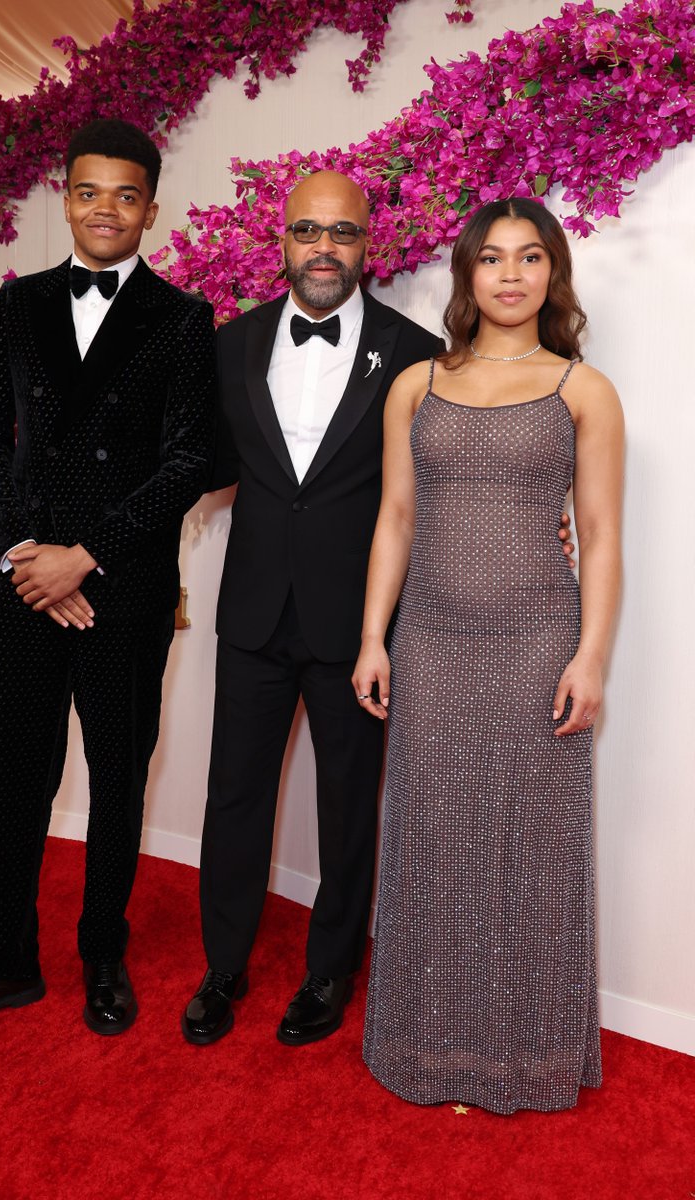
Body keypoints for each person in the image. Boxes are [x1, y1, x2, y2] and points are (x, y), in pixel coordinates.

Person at [182, 173, 574, 1048]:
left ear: (369, 243)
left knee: (351, 802)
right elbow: (200, 462)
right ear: (281, 240)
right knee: (233, 795)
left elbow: (440, 474)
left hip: (360, 624)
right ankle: (223, 967)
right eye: (307, 231)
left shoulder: (413, 353)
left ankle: (329, 972)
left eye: (344, 233)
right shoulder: (232, 343)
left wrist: (541, 510)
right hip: (250, 610)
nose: (325, 248)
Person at [0, 119, 216, 1039]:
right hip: (23, 582)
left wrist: (87, 555)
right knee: (9, 777)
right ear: (67, 199)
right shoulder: (16, 304)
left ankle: (101, 955)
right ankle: (5, 961)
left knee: (118, 779)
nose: (106, 209)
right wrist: (24, 555)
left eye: (127, 195)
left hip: (121, 587)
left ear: (152, 210)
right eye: (90, 192)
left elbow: (190, 460)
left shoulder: (184, 319)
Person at [353, 198, 623, 1113]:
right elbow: (394, 519)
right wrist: (371, 638)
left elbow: (603, 535)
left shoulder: (582, 389)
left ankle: (526, 1058)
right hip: (428, 640)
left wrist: (591, 658)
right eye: (492, 258)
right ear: (467, 274)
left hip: (537, 645)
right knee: (433, 841)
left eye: (531, 257)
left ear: (553, 274)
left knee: (529, 852)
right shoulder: (415, 386)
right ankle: (428, 1049)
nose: (511, 274)